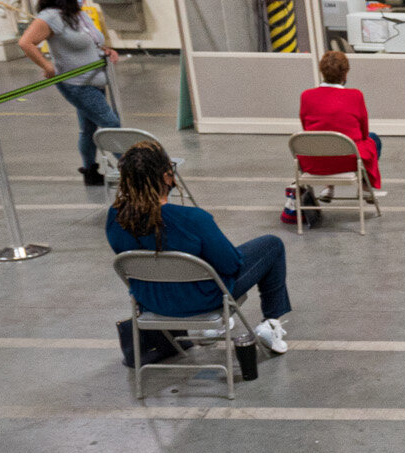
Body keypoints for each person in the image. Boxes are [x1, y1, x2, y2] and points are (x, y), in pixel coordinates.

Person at [106, 142, 292, 354]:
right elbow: (231, 264)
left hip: (151, 302)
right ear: (167, 177)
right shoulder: (193, 219)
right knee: (271, 245)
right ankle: (270, 323)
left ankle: (213, 328)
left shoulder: (115, 217)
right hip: (203, 301)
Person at [18, 0, 120, 186]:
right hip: (78, 84)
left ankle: (90, 171)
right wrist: (47, 66)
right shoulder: (51, 17)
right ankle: (135, 171)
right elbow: (26, 42)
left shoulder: (78, 15)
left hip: (95, 80)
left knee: (89, 128)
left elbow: (90, 41)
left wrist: (105, 50)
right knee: (110, 124)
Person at [298, 50, 383, 194]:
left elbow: (307, 128)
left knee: (323, 141)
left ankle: (328, 187)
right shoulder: (355, 96)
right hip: (348, 160)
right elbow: (363, 133)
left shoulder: (306, 96)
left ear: (322, 72)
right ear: (345, 74)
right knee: (373, 139)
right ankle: (364, 185)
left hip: (314, 161)